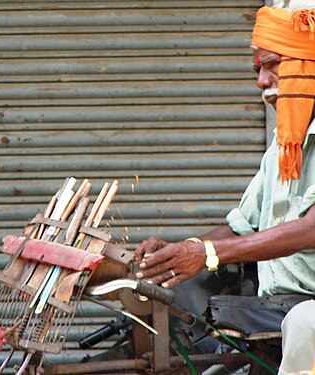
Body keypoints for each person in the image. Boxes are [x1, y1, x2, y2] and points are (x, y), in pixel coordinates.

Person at [135, 3, 315, 374]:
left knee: (304, 323)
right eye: (258, 70)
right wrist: (181, 252)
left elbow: (311, 228)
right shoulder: (282, 150)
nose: (261, 81)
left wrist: (209, 254)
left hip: (305, 311)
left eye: (272, 65)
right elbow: (240, 228)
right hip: (278, 304)